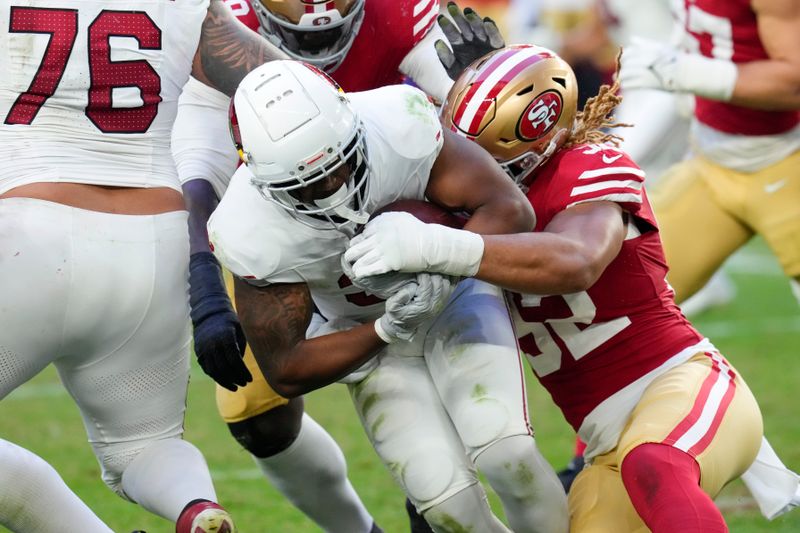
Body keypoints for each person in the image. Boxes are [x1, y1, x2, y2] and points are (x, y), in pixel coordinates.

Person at [344, 44, 766, 532]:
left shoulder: (587, 165)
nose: (462, 168)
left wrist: (438, 245)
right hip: (607, 445)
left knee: (655, 463)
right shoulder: (473, 208)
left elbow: (577, 262)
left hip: (680, 384)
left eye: (480, 152)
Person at [171, 1, 505, 531]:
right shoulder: (228, 24)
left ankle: (434, 505)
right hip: (288, 235)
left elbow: (472, 121)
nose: (319, 43)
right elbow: (199, 165)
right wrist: (205, 281)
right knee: (255, 415)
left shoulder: (399, 13)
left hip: (398, 204)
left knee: (453, 363)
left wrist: (486, 87)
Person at [208, 59, 569, 532]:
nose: (333, 189)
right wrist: (385, 327)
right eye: (307, 185)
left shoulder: (399, 122)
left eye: (340, 165)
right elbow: (287, 369)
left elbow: (508, 209)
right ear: (262, 180)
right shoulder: (247, 227)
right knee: (445, 502)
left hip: (455, 298)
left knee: (507, 451)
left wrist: (441, 264)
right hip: (364, 338)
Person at [0, 0, 286, 531]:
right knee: (143, 447)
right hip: (155, 247)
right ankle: (195, 506)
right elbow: (284, 84)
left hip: (28, 233)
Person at [618, 0, 800, 307]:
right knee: (622, 299)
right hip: (712, 161)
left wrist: (684, 71)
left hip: (787, 161)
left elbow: (795, 83)